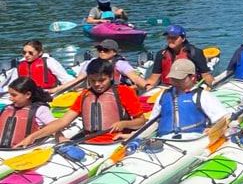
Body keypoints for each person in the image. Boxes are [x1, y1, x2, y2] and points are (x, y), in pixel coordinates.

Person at [16, 58, 146, 147]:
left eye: (102, 80)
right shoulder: (85, 95)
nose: (97, 84)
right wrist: (32, 137)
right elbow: (62, 122)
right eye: (93, 80)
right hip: (88, 143)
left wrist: (124, 123)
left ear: (110, 77)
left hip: (115, 142)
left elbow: (141, 122)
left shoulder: (124, 92)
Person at [146, 59, 227, 138]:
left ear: (192, 77)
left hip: (193, 138)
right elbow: (152, 122)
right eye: (173, 78)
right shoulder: (163, 95)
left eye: (180, 79)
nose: (176, 81)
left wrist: (214, 129)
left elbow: (223, 118)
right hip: (164, 139)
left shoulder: (202, 96)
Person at [51, 39, 147, 94]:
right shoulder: (91, 63)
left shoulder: (120, 64)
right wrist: (55, 90)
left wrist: (146, 86)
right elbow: (77, 82)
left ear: (114, 52)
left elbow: (136, 79)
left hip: (118, 92)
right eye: (99, 49)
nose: (101, 52)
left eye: (106, 50)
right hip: (97, 91)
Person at [145, 25, 214, 89]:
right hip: (165, 87)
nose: (170, 40)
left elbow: (206, 75)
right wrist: (144, 85)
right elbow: (153, 79)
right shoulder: (161, 54)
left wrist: (212, 86)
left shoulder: (195, 53)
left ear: (183, 38)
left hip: (190, 87)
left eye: (174, 38)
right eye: (168, 37)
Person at [0, 77, 56, 148]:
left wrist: (61, 138)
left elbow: (55, 126)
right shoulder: (7, 108)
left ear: (28, 95)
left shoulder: (40, 109)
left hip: (26, 149)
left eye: (14, 95)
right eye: (10, 94)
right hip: (3, 150)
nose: (10, 98)